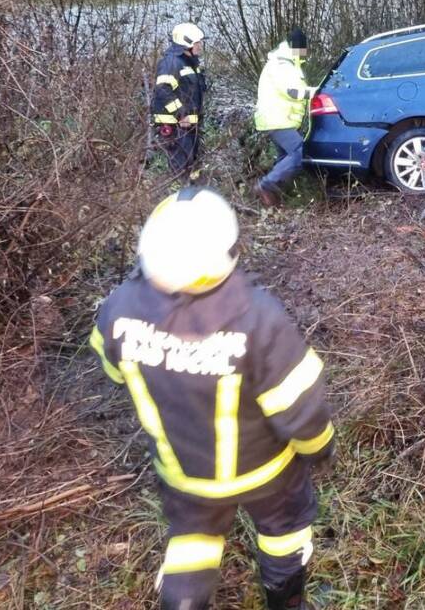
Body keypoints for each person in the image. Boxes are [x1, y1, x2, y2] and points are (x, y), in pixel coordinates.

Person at [90, 187, 333, 610]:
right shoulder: (257, 318)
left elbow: (113, 371)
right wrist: (320, 450)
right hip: (267, 474)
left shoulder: (117, 309)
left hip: (184, 473)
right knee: (284, 532)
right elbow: (301, 406)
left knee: (192, 541)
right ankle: (286, 603)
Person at [254, 27, 316, 207]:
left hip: (280, 119)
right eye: (304, 48)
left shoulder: (286, 63)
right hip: (277, 119)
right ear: (298, 47)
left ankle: (273, 200)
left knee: (284, 160)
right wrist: (317, 92)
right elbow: (292, 91)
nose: (306, 52)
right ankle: (266, 185)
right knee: (300, 153)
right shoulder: (282, 65)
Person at [150, 23, 208, 183]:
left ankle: (192, 195)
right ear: (186, 43)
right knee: (180, 170)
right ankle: (179, 198)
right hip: (176, 127)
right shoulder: (171, 63)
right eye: (197, 43)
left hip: (189, 126)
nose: (200, 46)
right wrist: (180, 114)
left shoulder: (190, 63)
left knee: (192, 167)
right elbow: (162, 91)